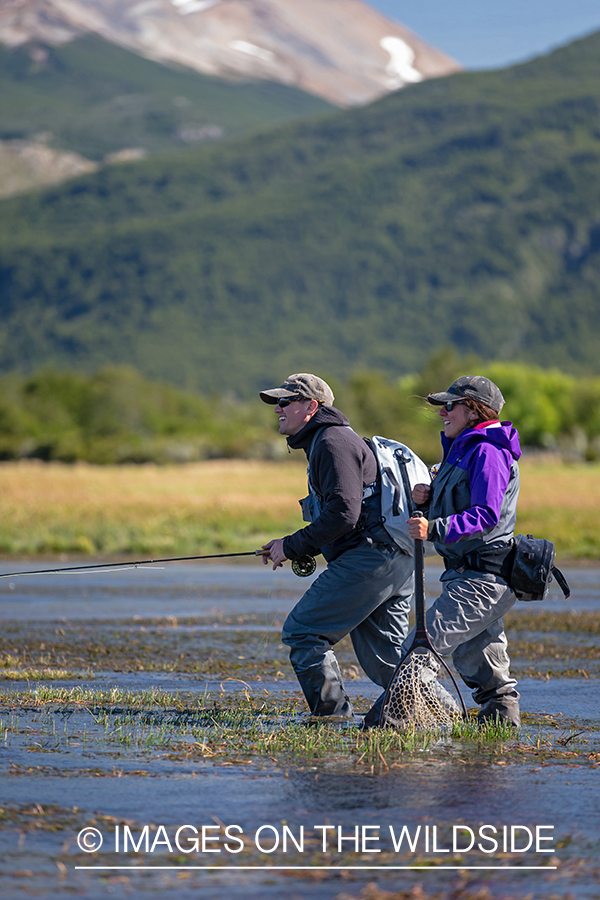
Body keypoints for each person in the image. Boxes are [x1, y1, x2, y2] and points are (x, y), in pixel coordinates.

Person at [368, 374, 521, 728]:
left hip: (483, 579)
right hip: (466, 575)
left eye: (450, 406)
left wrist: (434, 527)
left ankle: (389, 727)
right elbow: (463, 499)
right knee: (480, 659)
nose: (442, 412)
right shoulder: (464, 449)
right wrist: (430, 494)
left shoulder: (488, 451)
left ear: (473, 410)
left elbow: (485, 515)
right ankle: (499, 729)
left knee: (418, 651)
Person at [259, 373, 415, 719]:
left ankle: (332, 719)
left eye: (285, 402)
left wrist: (293, 545)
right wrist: (291, 544)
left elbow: (344, 514)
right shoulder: (330, 440)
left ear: (312, 407)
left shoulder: (331, 442)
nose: (277, 409)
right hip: (393, 558)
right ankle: (437, 715)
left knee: (303, 632)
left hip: (371, 557)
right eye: (277, 403)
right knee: (385, 659)